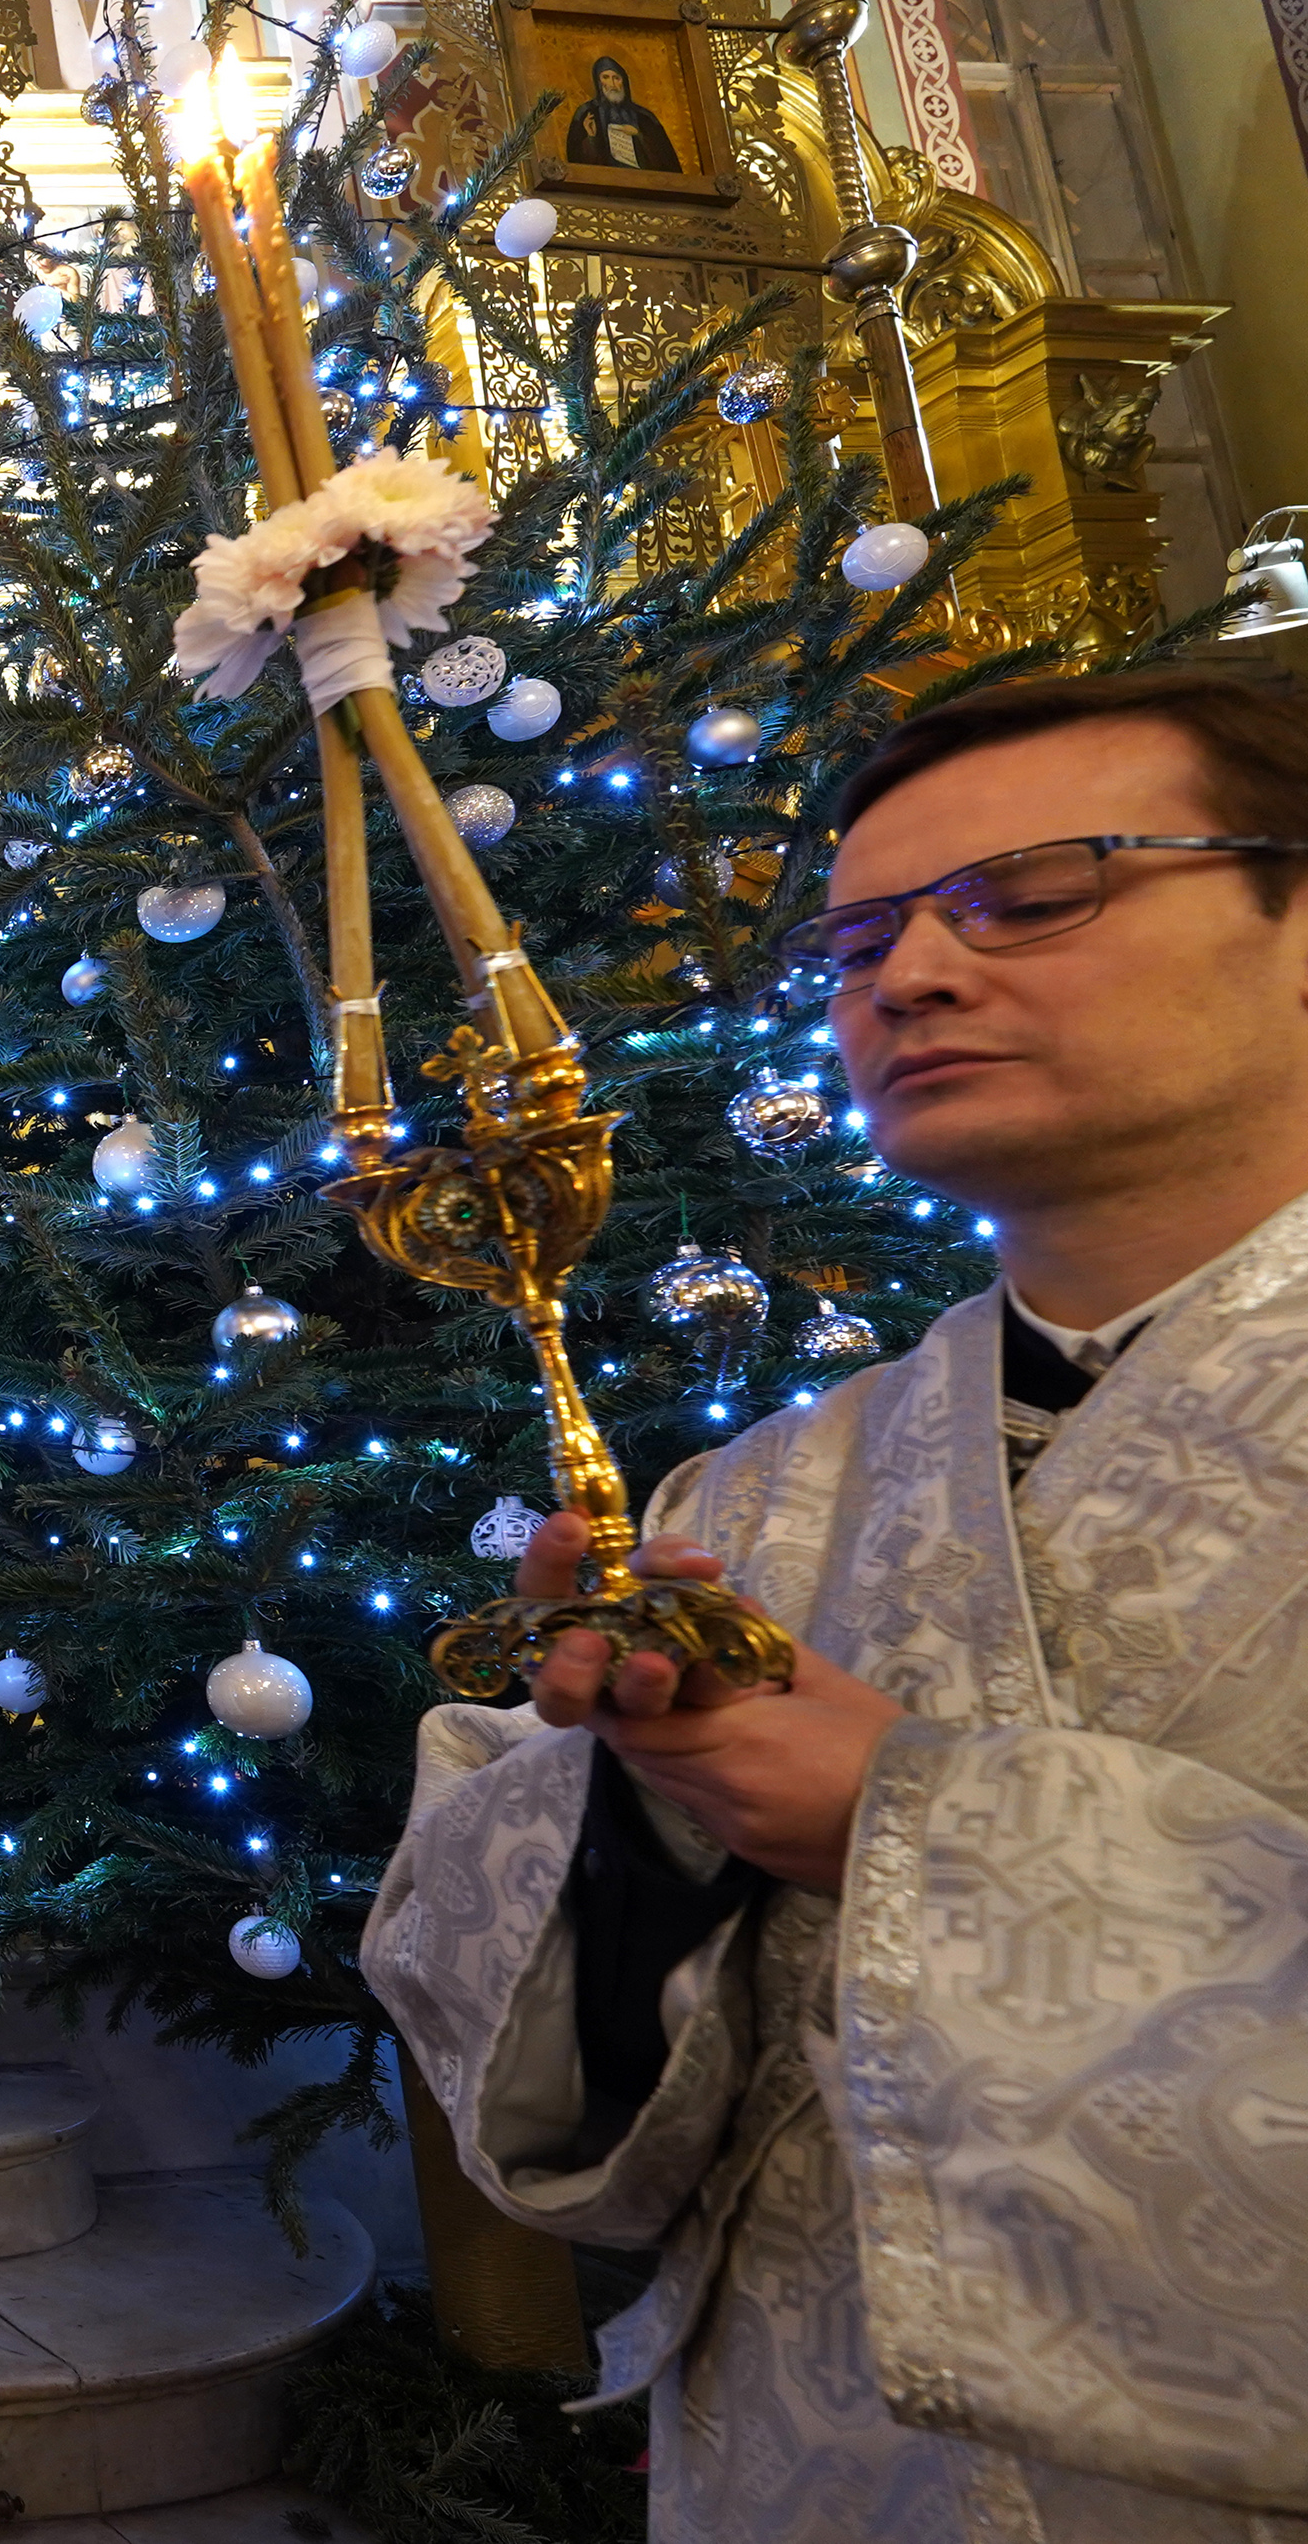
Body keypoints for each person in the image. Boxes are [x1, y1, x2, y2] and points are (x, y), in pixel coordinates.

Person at [363, 671, 1308, 2540]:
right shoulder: (762, 1491)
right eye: (863, 934)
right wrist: (640, 1805)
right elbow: (548, 2096)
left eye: (1037, 891)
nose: (915, 975)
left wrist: (908, 1816)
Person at [567, 53, 682, 173]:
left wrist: (639, 135)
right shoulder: (587, 113)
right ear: (598, 82)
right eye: (605, 77)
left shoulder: (644, 117)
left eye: (616, 78)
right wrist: (591, 138)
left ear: (624, 81)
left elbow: (667, 162)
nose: (612, 84)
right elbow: (577, 162)